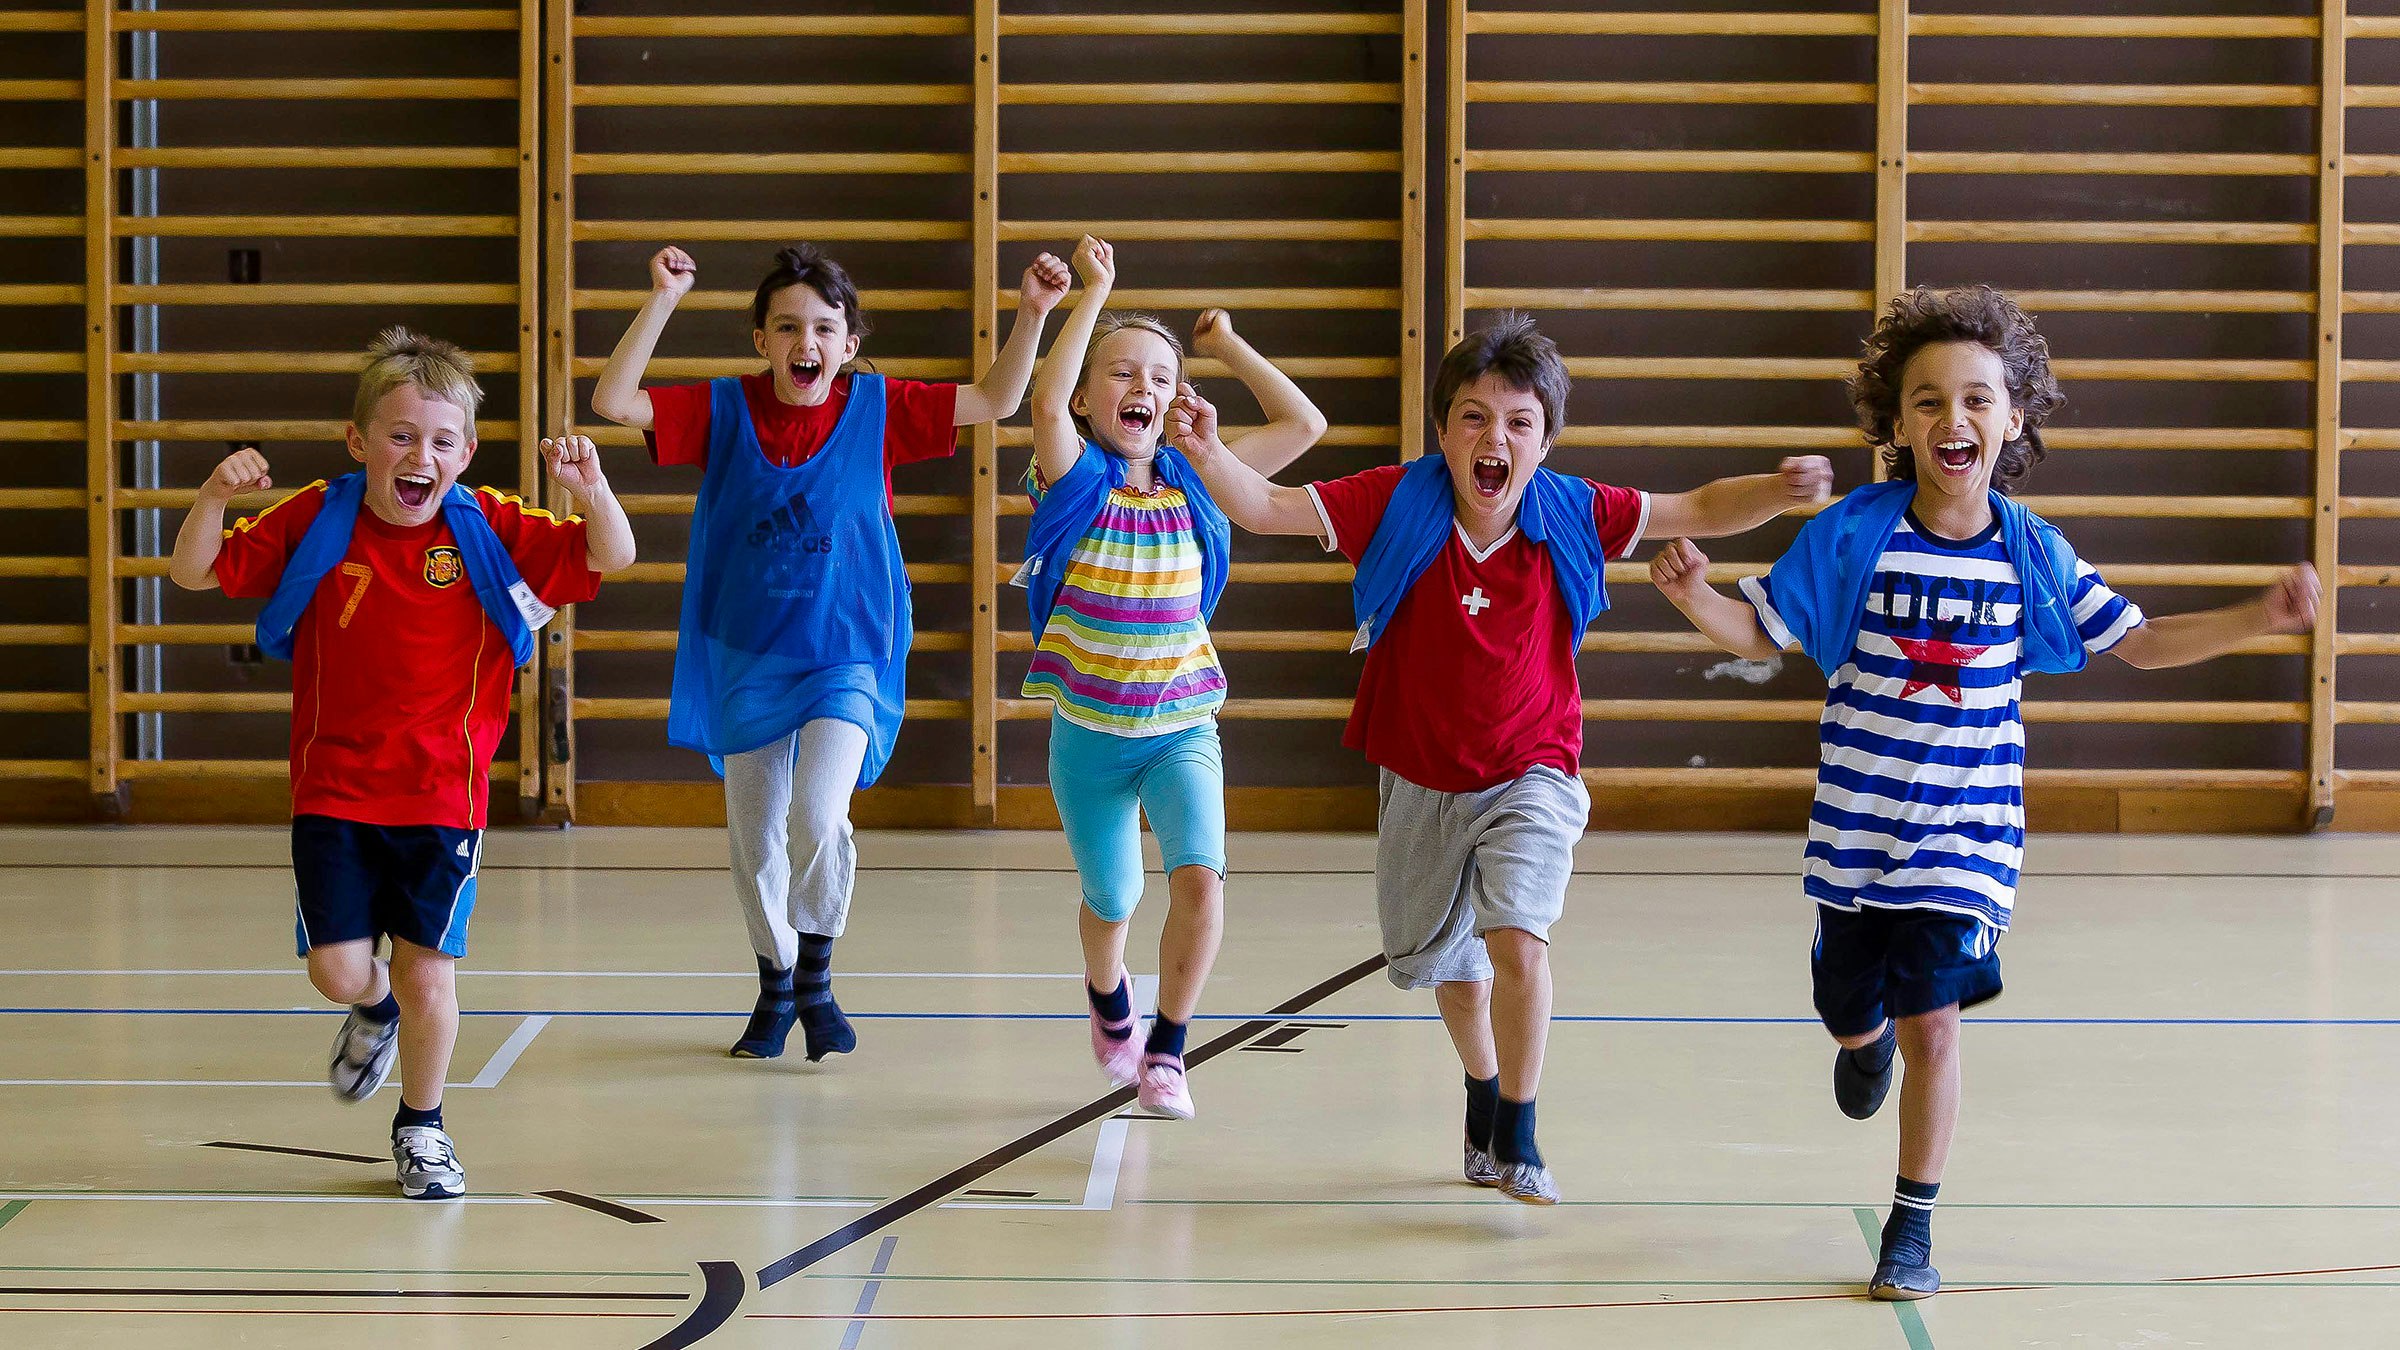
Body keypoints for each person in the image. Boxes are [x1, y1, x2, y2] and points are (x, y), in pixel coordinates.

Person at [1648, 284, 2321, 1298]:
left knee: (1939, 1025)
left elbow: (2135, 644)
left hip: (1967, 842)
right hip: (1855, 835)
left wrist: (2253, 618)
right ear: (1897, 422)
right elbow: (1762, 634)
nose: (1951, 419)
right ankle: (1858, 1042)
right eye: (1927, 401)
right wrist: (1694, 593)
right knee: (1848, 1006)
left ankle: (1911, 1227)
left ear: (2012, 420)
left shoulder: (2029, 552)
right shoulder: (1852, 536)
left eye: (1975, 400)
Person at [1170, 313, 1831, 1202]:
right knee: (1444, 966)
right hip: (1419, 774)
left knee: (1518, 939)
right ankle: (1484, 1090)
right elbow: (1266, 507)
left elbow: (1703, 506)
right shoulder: (1398, 501)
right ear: (1443, 431)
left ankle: (1519, 1130)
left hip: (1534, 769)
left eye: (1519, 422)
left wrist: (1780, 492)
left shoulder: (1570, 510)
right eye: (1474, 417)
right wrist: (1211, 453)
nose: (1496, 439)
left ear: (1545, 440)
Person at [168, 327, 635, 1199]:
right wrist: (209, 498)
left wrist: (593, 488)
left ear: (465, 452)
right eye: (400, 435)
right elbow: (195, 573)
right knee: (338, 972)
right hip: (334, 790)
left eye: (442, 440)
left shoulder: (491, 522)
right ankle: (368, 1010)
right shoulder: (317, 514)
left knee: (429, 971)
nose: (421, 455)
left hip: (442, 797)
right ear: (359, 442)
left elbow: (613, 555)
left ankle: (422, 1129)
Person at [591, 242, 1070, 1061]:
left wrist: (1032, 310)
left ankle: (814, 970)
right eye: (786, 328)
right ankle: (775, 981)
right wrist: (664, 297)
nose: (803, 343)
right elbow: (614, 400)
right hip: (746, 653)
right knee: (755, 840)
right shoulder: (725, 409)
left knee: (818, 813)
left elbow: (995, 398)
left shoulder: (879, 408)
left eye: (822, 327)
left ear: (848, 344)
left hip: (846, 651)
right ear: (761, 340)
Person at [1018, 235, 1326, 1117]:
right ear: (1088, 398)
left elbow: (1305, 428)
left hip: (1184, 726)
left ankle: (1168, 1048)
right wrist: (1091, 296)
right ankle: (1108, 992)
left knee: (1201, 878)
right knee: (1111, 899)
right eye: (1120, 374)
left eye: (1159, 375)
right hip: (1089, 734)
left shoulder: (1201, 478)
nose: (1141, 389)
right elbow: (1043, 400)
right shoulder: (1073, 480)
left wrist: (1227, 348)